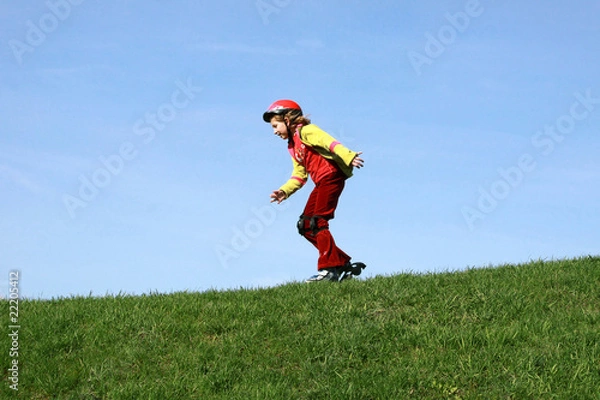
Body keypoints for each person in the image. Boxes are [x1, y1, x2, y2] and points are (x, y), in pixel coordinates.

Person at [262, 99, 366, 282]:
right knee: (306, 225)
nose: (274, 131)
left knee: (318, 222)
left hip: (331, 176)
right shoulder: (292, 146)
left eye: (275, 125)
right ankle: (340, 262)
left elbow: (329, 142)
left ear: (287, 119)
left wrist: (348, 156)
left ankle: (329, 269)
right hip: (321, 183)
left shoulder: (306, 131)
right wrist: (284, 191)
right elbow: (299, 175)